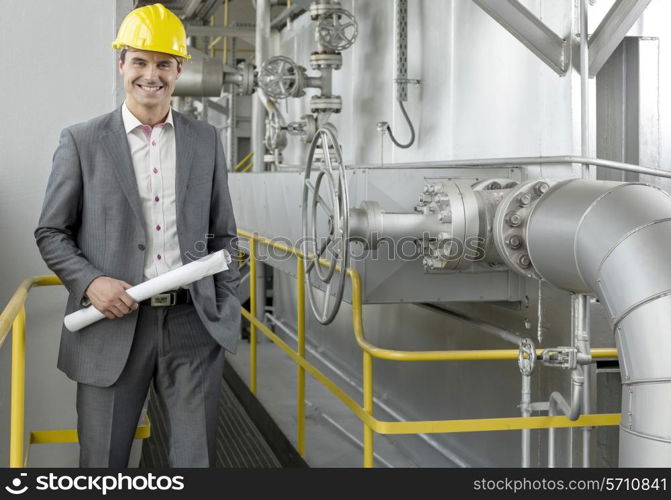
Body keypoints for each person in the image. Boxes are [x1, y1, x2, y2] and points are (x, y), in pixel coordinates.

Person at [34, 3, 240, 467]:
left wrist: (225, 309)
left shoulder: (205, 140)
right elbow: (51, 231)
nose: (152, 75)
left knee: (195, 462)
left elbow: (225, 234)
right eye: (141, 62)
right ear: (122, 64)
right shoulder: (82, 141)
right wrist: (90, 283)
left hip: (192, 325)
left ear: (179, 69)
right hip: (112, 325)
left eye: (163, 63)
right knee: (104, 463)